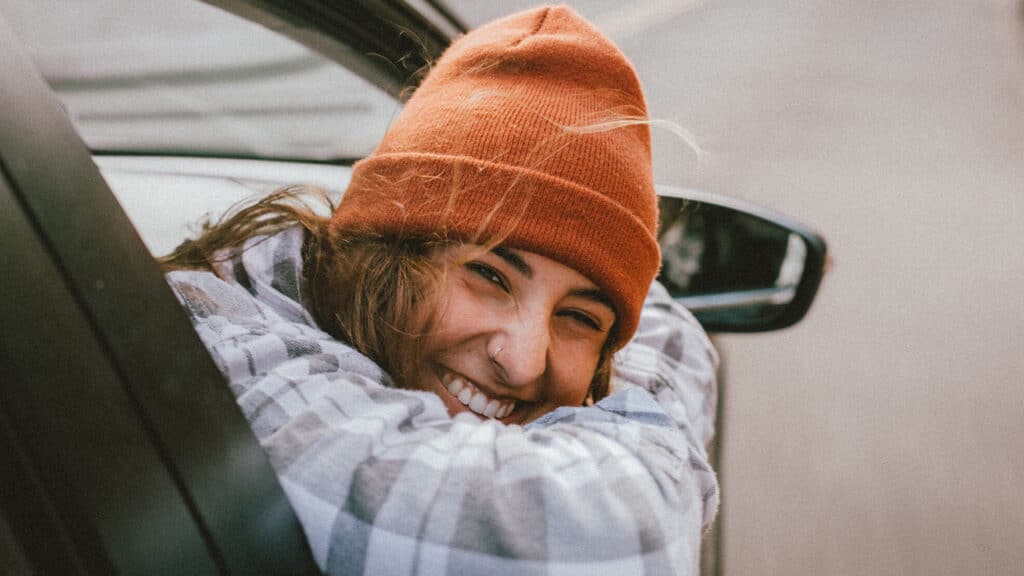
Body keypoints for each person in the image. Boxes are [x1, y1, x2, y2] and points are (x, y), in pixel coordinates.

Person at [164, 5, 719, 574]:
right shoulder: (216, 348)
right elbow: (614, 539)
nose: (523, 362)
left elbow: (663, 323)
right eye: (491, 276)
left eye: (579, 317)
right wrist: (659, 426)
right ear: (388, 250)